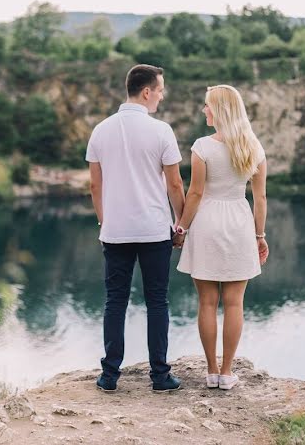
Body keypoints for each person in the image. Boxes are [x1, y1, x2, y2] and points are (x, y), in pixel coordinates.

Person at [85, 64, 186, 392]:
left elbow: (94, 186)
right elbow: (174, 184)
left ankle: (110, 376)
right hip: (155, 230)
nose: (162, 94)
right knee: (157, 301)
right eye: (160, 89)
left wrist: (104, 221)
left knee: (115, 301)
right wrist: (181, 224)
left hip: (115, 232)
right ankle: (159, 376)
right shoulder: (162, 131)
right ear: (146, 92)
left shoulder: (100, 130)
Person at [173, 84, 269, 391]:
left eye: (207, 106)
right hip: (239, 224)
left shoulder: (202, 146)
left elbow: (196, 192)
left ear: (220, 110)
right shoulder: (253, 147)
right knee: (234, 304)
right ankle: (227, 373)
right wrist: (260, 235)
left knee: (206, 302)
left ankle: (211, 371)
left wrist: (181, 228)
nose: (204, 110)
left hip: (207, 224)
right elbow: (261, 198)